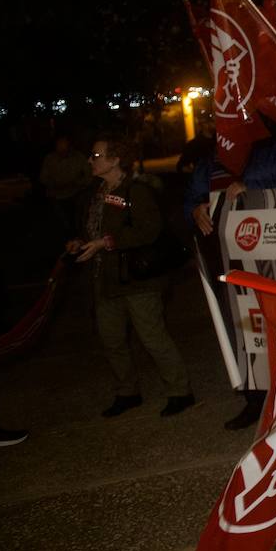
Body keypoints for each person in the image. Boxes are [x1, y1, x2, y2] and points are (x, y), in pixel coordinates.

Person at [69, 135, 195, 418]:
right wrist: (81, 241)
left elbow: (148, 230)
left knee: (153, 337)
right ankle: (127, 392)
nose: (91, 160)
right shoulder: (96, 193)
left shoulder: (135, 190)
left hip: (138, 279)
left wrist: (106, 243)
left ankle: (180, 391)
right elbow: (93, 228)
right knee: (111, 339)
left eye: (96, 156)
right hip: (105, 280)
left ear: (115, 160)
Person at [184, 133, 276, 429]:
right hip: (228, 258)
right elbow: (191, 197)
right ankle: (254, 399)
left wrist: (251, 188)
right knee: (243, 328)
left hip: (272, 253)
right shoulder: (209, 160)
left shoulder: (273, 151)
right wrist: (195, 209)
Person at [39, 134, 92, 241]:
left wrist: (78, 183)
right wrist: (55, 184)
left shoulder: (78, 157)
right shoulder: (50, 159)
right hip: (55, 196)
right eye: (59, 145)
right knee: (61, 223)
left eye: (64, 144)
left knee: (77, 222)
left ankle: (77, 238)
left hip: (75, 195)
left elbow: (89, 175)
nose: (62, 147)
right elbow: (43, 178)